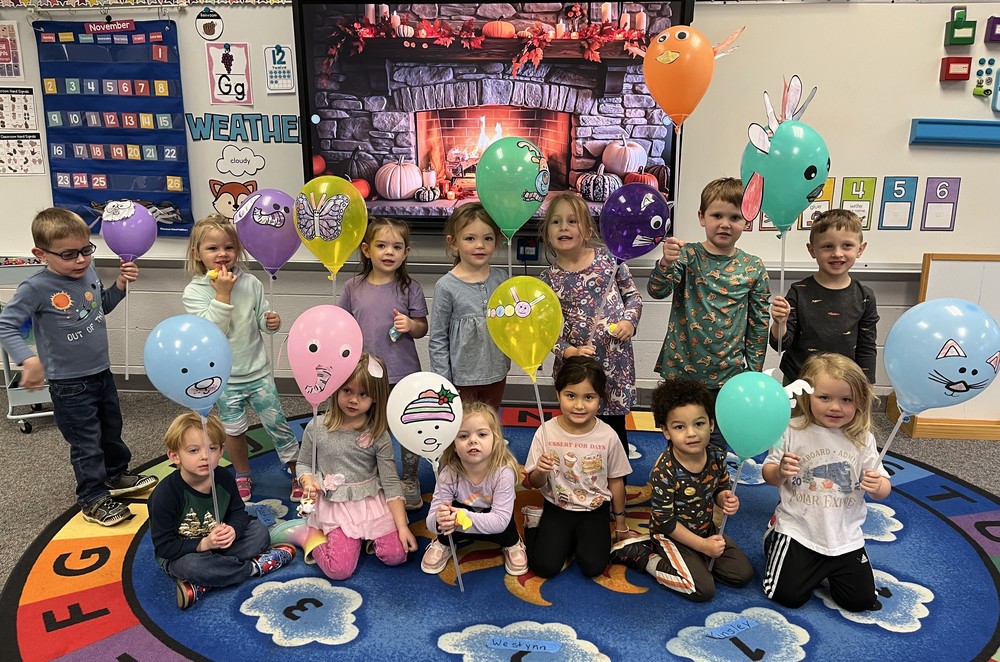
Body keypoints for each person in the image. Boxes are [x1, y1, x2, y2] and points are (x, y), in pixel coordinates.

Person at [0, 208, 157, 526]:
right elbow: (6, 324)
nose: (81, 260)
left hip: (101, 372)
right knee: (86, 443)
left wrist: (120, 285)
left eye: (86, 250)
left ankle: (116, 476)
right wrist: (28, 360)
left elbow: (102, 306)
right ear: (40, 254)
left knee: (111, 432)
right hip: (69, 384)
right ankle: (92, 498)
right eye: (69, 254)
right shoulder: (36, 288)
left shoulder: (88, 272)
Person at [646, 177, 770, 449]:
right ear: (702, 217)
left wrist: (754, 372)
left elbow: (759, 322)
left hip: (728, 375)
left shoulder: (753, 267)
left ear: (747, 221)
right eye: (717, 215)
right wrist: (667, 261)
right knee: (680, 436)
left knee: (716, 442)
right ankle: (676, 487)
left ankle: (715, 489)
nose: (725, 223)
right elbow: (657, 290)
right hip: (682, 371)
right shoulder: (687, 256)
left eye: (735, 217)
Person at [183, 214, 299, 503]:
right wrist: (223, 294)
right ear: (197, 253)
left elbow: (261, 318)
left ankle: (297, 469)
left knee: (278, 423)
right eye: (212, 248)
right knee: (234, 431)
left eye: (229, 247)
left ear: (238, 249)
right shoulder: (194, 292)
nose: (222, 254)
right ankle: (242, 473)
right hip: (224, 378)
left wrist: (270, 321)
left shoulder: (251, 283)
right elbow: (212, 332)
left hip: (258, 372)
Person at [761, 352, 891, 612]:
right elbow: (768, 473)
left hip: (845, 537)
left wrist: (879, 487)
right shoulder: (790, 429)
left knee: (861, 602)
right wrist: (781, 471)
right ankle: (773, 538)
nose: (835, 407)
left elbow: (883, 487)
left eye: (847, 400)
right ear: (807, 396)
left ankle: (828, 568)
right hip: (798, 531)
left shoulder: (862, 438)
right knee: (786, 596)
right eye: (824, 398)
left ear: (860, 403)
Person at [610, 379, 752, 601]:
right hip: (670, 534)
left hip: (705, 528)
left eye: (699, 424)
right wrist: (703, 546)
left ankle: (695, 560)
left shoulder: (716, 455)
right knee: (702, 589)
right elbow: (666, 522)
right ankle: (643, 555)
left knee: (741, 575)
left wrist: (724, 498)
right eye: (679, 427)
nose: (692, 433)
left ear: (712, 425)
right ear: (666, 431)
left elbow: (720, 487)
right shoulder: (664, 470)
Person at [149, 412, 295, 609]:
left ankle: (204, 583)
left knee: (259, 531)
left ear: (221, 451)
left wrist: (233, 530)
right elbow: (164, 548)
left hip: (222, 544)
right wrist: (204, 543)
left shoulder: (224, 478)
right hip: (186, 554)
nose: (204, 457)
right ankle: (252, 568)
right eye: (193, 451)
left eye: (212, 448)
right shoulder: (165, 495)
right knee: (192, 566)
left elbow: (239, 514)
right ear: (175, 456)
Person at [538, 191, 642, 461]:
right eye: (556, 222)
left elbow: (633, 296)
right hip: (576, 366)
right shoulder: (549, 278)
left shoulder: (610, 260)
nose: (564, 227)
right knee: (578, 425)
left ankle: (616, 484)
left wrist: (629, 321)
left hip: (615, 362)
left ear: (586, 229)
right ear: (547, 233)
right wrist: (566, 351)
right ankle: (578, 480)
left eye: (572, 221)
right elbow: (543, 330)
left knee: (615, 428)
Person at [297, 352, 418, 580]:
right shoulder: (316, 427)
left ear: (375, 398)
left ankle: (364, 536)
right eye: (347, 391)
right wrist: (307, 480)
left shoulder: (378, 434)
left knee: (397, 555)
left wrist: (403, 527)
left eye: (363, 394)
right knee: (339, 570)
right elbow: (303, 463)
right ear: (336, 389)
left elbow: (391, 481)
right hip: (336, 504)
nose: (354, 400)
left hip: (370, 501)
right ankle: (308, 536)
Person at [339, 217, 429, 511]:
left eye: (396, 246)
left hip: (403, 371)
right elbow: (342, 325)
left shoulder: (409, 288)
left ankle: (410, 480)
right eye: (381, 245)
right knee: (368, 427)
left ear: (405, 253)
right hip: (364, 375)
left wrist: (409, 325)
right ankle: (368, 476)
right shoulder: (353, 287)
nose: (389, 252)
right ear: (366, 250)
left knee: (407, 427)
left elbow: (422, 328)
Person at [522, 357, 637, 578]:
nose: (579, 405)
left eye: (589, 397)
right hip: (557, 506)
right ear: (558, 394)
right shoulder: (545, 432)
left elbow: (616, 480)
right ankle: (534, 524)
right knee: (544, 567)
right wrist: (541, 470)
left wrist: (620, 523)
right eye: (571, 395)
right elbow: (534, 483)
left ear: (600, 399)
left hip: (594, 509)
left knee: (593, 567)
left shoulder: (608, 436)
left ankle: (576, 538)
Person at [769, 209, 879, 383]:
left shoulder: (864, 296)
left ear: (860, 249)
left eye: (847, 245)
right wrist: (779, 323)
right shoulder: (798, 291)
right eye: (828, 246)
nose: (837, 253)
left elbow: (867, 347)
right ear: (812, 250)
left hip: (842, 382)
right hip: (799, 380)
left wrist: (866, 386)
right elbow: (779, 345)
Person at [422, 401, 527, 576]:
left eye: (482, 434)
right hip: (458, 520)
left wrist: (461, 518)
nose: (472, 440)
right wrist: (440, 521)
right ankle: (444, 543)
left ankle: (513, 543)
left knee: (506, 528)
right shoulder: (449, 473)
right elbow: (431, 521)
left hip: (494, 520)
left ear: (496, 440)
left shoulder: (503, 473)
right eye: (463, 436)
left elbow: (500, 520)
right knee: (446, 522)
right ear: (453, 445)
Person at [428, 202, 511, 412]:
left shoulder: (502, 279)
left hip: (497, 372)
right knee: (462, 429)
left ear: (497, 240)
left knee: (489, 425)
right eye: (470, 238)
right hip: (461, 379)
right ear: (453, 242)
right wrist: (443, 381)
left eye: (488, 238)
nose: (480, 245)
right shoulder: (446, 286)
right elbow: (437, 338)